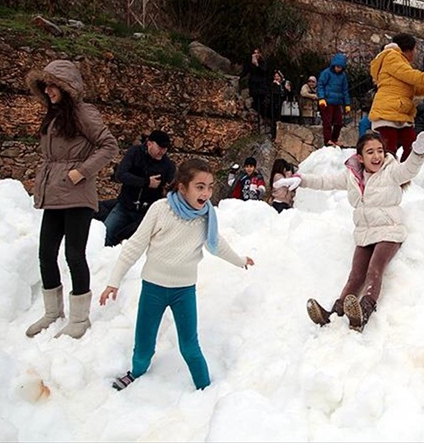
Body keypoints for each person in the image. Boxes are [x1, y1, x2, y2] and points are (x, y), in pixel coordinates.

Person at [100, 159, 255, 391]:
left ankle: (205, 389)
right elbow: (134, 246)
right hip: (153, 288)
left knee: (190, 347)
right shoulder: (160, 210)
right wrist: (113, 282)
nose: (206, 193)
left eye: (210, 186)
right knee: (144, 341)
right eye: (200, 186)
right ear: (183, 188)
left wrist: (240, 260)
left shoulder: (206, 217)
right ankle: (136, 372)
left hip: (184, 291)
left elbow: (216, 244)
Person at [25, 59, 118, 339]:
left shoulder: (83, 113)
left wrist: (81, 172)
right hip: (55, 193)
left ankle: (79, 318)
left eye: (53, 85)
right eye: (46, 85)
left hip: (77, 195)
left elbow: (109, 145)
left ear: (66, 87)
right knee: (45, 253)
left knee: (74, 254)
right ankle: (53, 312)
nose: (48, 90)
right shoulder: (54, 116)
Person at [303, 131, 424, 332]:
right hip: (365, 234)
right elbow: (324, 181)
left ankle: (363, 312)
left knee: (374, 268)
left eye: (380, 151)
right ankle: (335, 315)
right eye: (370, 152)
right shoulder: (352, 176)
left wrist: (418, 152)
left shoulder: (391, 171)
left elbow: (409, 170)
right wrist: (300, 179)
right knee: (355, 276)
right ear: (360, 157)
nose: (377, 156)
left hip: (389, 231)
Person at [369, 34, 424, 162]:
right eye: (415, 50)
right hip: (387, 113)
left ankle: (401, 178)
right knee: (389, 152)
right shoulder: (392, 57)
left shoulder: (402, 63)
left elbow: (415, 89)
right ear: (408, 50)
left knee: (412, 148)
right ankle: (386, 179)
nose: (415, 53)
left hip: (401, 114)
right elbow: (414, 77)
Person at [104, 130, 176, 247]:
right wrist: (146, 182)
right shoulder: (134, 153)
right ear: (149, 144)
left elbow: (170, 188)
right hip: (125, 206)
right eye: (160, 147)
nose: (162, 151)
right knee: (107, 233)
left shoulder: (168, 165)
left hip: (146, 212)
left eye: (165, 148)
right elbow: (121, 175)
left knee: (133, 242)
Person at [317, 52, 351, 147]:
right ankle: (327, 140)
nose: (338, 69)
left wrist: (347, 104)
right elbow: (320, 85)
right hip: (327, 102)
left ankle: (334, 139)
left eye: (340, 67)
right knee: (327, 123)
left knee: (339, 123)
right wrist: (322, 98)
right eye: (337, 66)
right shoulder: (326, 73)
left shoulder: (343, 76)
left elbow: (345, 90)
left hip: (337, 102)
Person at [242, 48, 270, 118]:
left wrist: (257, 64)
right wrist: (239, 77)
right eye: (255, 53)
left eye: (257, 53)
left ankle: (263, 116)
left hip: (261, 85)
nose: (256, 54)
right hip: (253, 84)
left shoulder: (263, 62)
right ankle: (256, 116)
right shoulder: (250, 63)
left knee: (261, 102)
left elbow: (264, 71)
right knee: (254, 100)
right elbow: (245, 71)